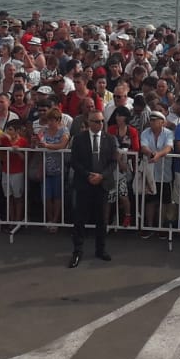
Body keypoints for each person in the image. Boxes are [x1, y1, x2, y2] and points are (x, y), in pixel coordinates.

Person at [69, 111, 118, 267]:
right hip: (84, 183)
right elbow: (74, 161)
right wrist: (88, 175)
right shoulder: (79, 139)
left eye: (102, 121)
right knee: (80, 219)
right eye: (96, 121)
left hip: (102, 185)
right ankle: (77, 251)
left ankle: (100, 249)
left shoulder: (109, 139)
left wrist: (102, 176)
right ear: (89, 122)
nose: (100, 124)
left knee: (101, 220)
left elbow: (113, 162)